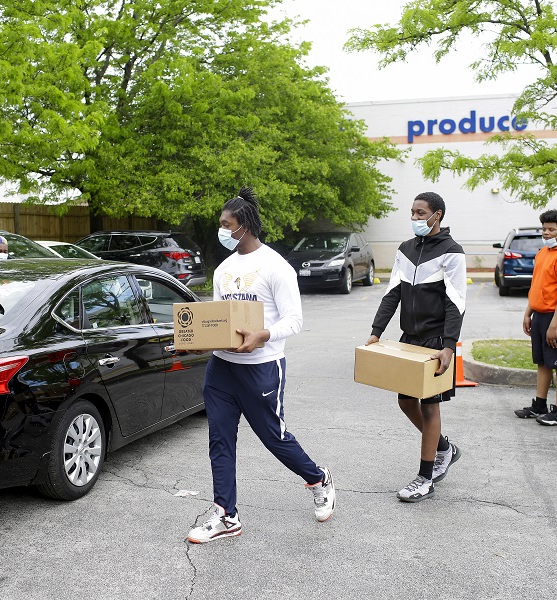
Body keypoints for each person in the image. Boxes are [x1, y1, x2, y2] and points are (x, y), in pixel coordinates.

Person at [186, 187, 336, 544]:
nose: (221, 230)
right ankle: (227, 515)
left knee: (274, 438)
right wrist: (201, 340)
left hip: (262, 367)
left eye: (226, 224)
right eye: (220, 223)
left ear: (246, 225)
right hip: (222, 369)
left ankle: (319, 479)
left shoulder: (275, 267)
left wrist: (263, 335)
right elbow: (220, 320)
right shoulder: (223, 269)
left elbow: (294, 320)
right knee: (220, 440)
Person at [366, 191, 466, 503]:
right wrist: (375, 333)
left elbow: (456, 303)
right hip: (409, 340)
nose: (415, 218)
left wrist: (448, 346)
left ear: (438, 215)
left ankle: (425, 478)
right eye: (412, 213)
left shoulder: (452, 252)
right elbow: (392, 293)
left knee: (429, 405)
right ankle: (444, 448)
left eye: (421, 213)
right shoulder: (405, 250)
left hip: (435, 342)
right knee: (405, 401)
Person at [515, 209, 557, 425]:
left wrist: (554, 325)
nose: (546, 233)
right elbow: (537, 285)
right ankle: (539, 405)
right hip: (540, 314)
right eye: (544, 229)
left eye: (551, 230)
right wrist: (528, 313)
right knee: (542, 361)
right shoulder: (543, 253)